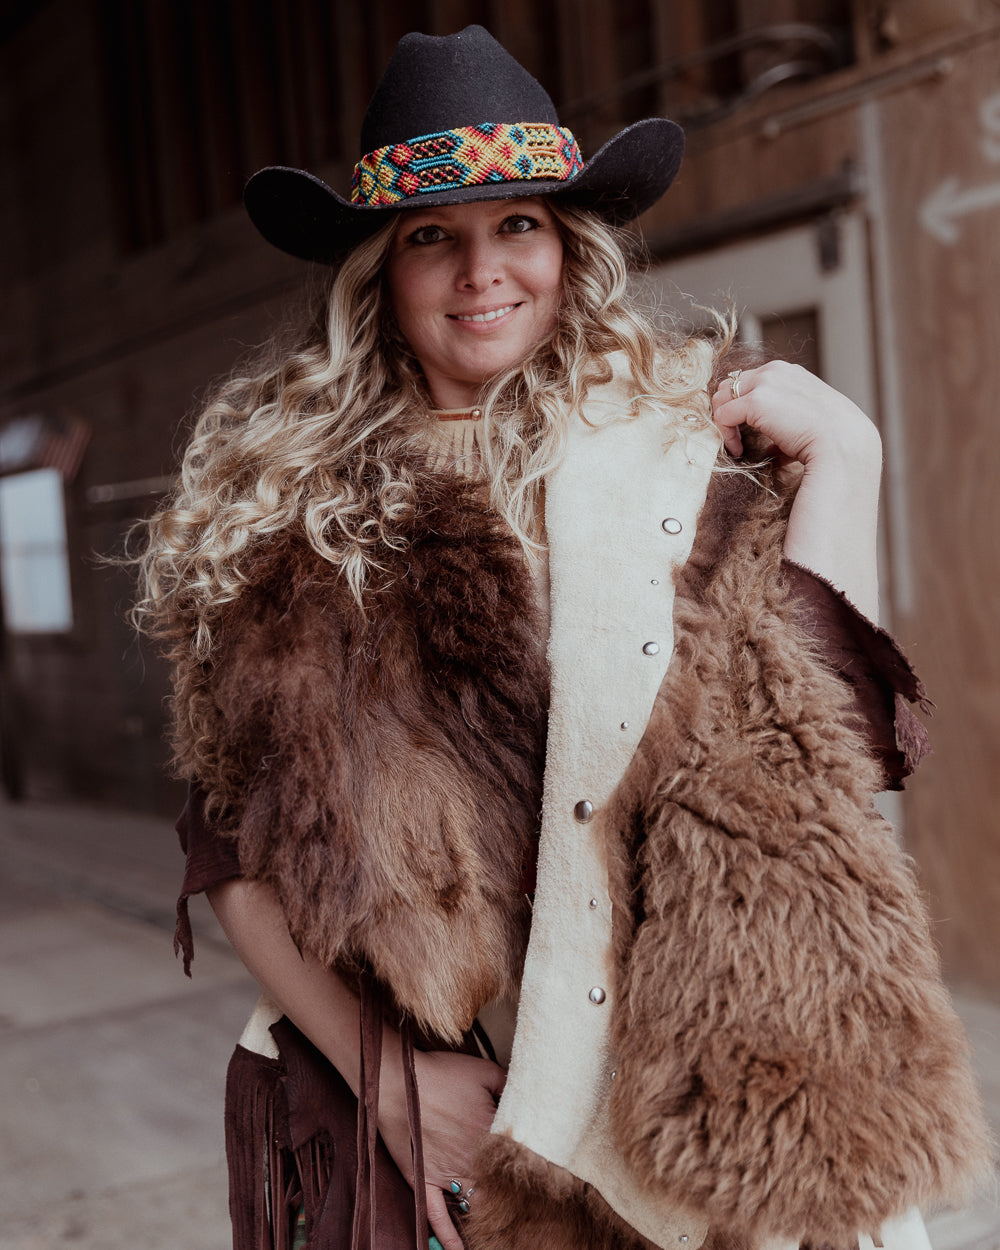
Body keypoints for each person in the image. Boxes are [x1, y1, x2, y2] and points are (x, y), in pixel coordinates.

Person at [133, 25, 989, 1250]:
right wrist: (390, 1079)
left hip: (703, 1087)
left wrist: (845, 462)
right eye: (434, 236)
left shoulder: (675, 447)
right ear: (379, 269)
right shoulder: (291, 522)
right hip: (472, 1111)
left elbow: (825, 749)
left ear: (566, 247)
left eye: (517, 226)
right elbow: (232, 855)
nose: (483, 271)